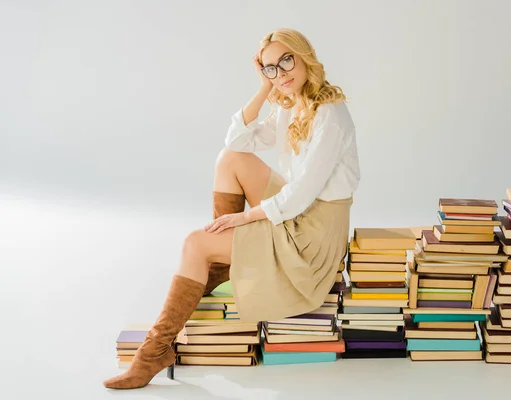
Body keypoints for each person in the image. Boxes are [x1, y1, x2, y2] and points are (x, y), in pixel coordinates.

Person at [103, 27, 360, 390]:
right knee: (230, 159)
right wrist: (265, 89)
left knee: (196, 243)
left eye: (286, 60)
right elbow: (237, 139)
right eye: (270, 67)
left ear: (305, 57)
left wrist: (244, 217)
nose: (281, 72)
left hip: (312, 234)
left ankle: (154, 352)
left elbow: (301, 194)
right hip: (297, 212)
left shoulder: (330, 113)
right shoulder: (292, 103)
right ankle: (222, 261)